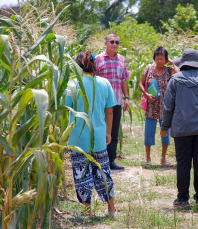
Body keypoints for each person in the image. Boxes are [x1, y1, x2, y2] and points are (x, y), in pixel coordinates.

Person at [66, 51, 117, 217]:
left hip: (77, 138)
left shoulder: (71, 85)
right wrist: (108, 133)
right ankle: (111, 209)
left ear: (78, 66)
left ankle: (87, 212)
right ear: (94, 65)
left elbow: (64, 109)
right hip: (99, 136)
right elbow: (109, 111)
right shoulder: (104, 83)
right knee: (103, 172)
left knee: (82, 174)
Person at [160, 48, 198, 208]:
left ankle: (182, 198)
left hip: (182, 127)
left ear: (183, 63)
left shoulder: (175, 80)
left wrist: (164, 127)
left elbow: (168, 107)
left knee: (183, 163)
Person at [138, 46, 179, 166]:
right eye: (157, 58)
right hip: (151, 105)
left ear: (165, 59)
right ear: (154, 58)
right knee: (148, 133)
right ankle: (148, 159)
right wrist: (146, 94)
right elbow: (141, 83)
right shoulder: (148, 68)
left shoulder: (169, 70)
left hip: (165, 107)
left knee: (165, 133)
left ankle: (163, 158)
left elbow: (179, 74)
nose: (159, 61)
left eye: (162, 59)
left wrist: (172, 62)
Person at [96, 33, 130, 170]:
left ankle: (110, 160)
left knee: (114, 131)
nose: (115, 44)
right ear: (105, 43)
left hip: (116, 101)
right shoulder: (98, 59)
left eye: (117, 42)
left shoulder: (121, 59)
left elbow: (123, 80)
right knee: (101, 130)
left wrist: (126, 97)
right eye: (112, 41)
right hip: (102, 103)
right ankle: (99, 160)